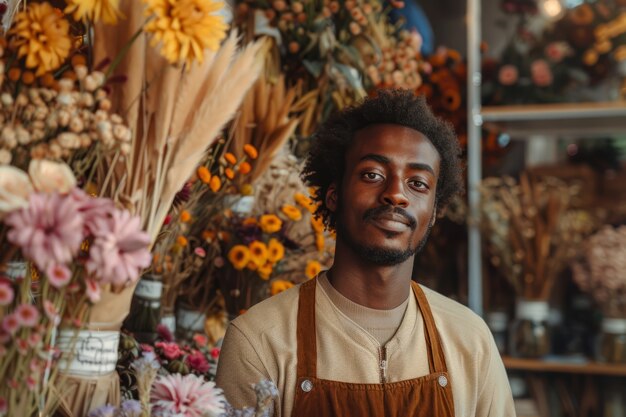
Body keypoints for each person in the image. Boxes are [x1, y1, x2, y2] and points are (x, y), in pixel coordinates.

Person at [216, 89, 515, 417]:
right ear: (333, 195)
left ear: (435, 209)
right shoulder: (260, 341)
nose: (396, 194)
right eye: (373, 175)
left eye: (418, 183)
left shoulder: (470, 340)